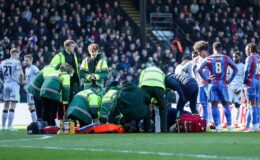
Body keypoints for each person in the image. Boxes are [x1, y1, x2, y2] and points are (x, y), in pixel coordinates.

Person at [198, 42, 238, 132]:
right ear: (221, 49)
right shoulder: (226, 58)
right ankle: (230, 127)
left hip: (213, 84)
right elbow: (235, 68)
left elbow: (199, 69)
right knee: (226, 105)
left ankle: (218, 127)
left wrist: (206, 79)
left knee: (214, 106)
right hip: (223, 83)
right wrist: (230, 80)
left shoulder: (208, 58)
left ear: (213, 49)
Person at [50, 40, 80, 119]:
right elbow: (51, 68)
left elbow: (76, 69)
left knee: (69, 101)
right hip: (60, 82)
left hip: (70, 82)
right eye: (72, 46)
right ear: (66, 46)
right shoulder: (59, 56)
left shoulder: (74, 55)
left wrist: (79, 82)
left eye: (74, 46)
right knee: (60, 101)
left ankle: (68, 119)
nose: (73, 48)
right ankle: (60, 119)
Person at [0, 48, 24, 131]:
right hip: (14, 84)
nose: (18, 57)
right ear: (15, 54)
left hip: (6, 84)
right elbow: (21, 74)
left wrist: (3, 83)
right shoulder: (17, 62)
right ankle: (9, 126)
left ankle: (3, 127)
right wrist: (20, 82)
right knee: (12, 105)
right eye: (18, 55)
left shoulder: (3, 62)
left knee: (5, 105)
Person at [139, 66, 167, 132]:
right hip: (159, 87)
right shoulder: (161, 71)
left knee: (146, 108)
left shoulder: (144, 71)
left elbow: (140, 83)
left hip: (145, 86)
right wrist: (155, 102)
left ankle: (146, 129)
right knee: (163, 108)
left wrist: (147, 101)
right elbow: (164, 84)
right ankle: (164, 130)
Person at [193, 40, 211, 126]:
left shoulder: (209, 59)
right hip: (200, 85)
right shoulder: (196, 60)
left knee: (211, 103)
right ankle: (205, 122)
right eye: (198, 51)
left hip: (209, 85)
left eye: (201, 51)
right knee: (203, 104)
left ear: (206, 50)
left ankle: (214, 122)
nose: (199, 53)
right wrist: (195, 78)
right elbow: (193, 69)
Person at [243, 43, 259, 132]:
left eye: (246, 50)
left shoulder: (250, 57)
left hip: (251, 81)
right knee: (257, 104)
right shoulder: (259, 57)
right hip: (259, 81)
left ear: (249, 49)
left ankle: (254, 126)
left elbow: (246, 69)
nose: (246, 52)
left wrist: (245, 79)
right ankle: (258, 124)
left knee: (251, 105)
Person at [227, 51, 245, 128]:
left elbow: (245, 79)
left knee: (237, 105)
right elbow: (227, 77)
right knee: (227, 104)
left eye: (236, 57)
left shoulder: (243, 66)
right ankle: (228, 122)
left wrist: (241, 88)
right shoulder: (230, 66)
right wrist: (227, 86)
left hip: (238, 88)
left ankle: (236, 123)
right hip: (230, 88)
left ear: (240, 57)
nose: (234, 58)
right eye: (233, 56)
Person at [24, 55, 39, 122]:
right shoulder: (26, 69)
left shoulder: (34, 68)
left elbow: (39, 75)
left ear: (31, 60)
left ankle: (35, 123)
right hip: (28, 91)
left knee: (32, 106)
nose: (25, 61)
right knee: (30, 108)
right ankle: (36, 122)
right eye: (25, 60)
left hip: (33, 91)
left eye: (27, 60)